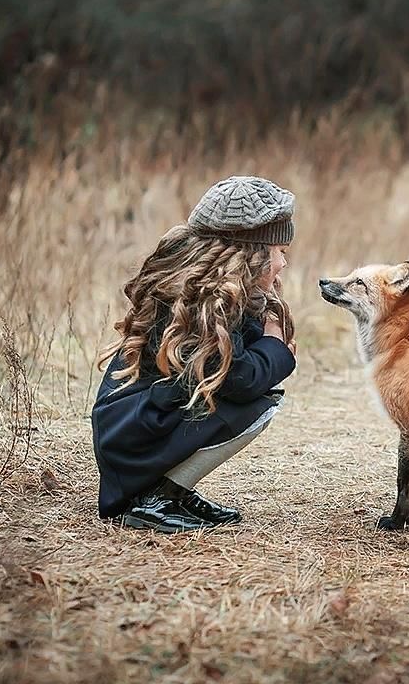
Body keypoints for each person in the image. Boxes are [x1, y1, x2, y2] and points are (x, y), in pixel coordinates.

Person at [91, 175, 298, 533]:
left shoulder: (209, 290)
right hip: (130, 436)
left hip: (132, 428)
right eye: (279, 253)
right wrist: (275, 347)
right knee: (256, 405)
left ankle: (172, 491)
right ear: (253, 255)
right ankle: (152, 499)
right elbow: (240, 378)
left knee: (252, 398)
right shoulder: (202, 304)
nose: (283, 264)